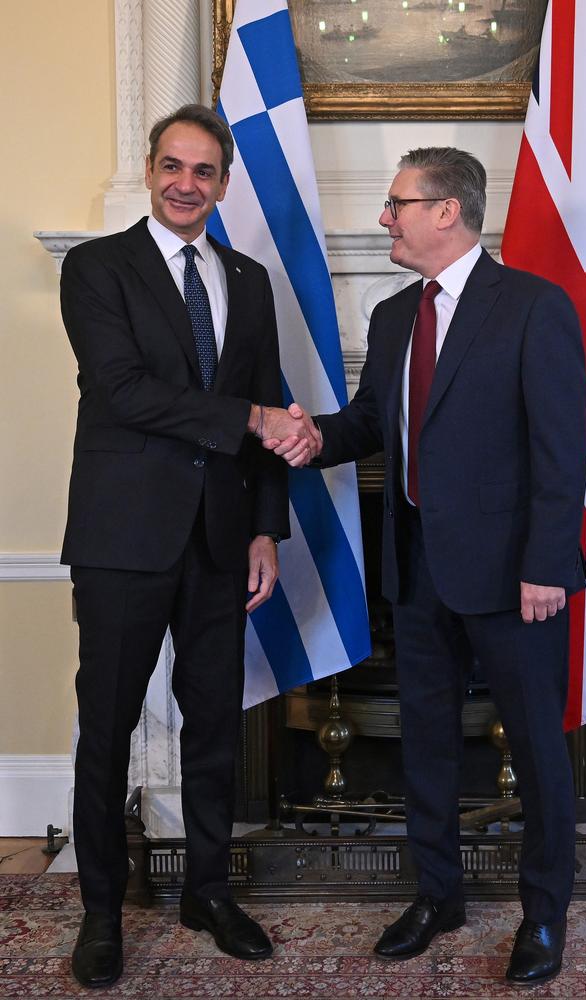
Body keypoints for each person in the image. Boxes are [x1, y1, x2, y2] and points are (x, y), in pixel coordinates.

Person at [269, 147, 586, 985]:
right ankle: (437, 894)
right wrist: (311, 438)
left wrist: (548, 564)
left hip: (518, 579)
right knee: (428, 748)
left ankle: (545, 917)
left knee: (539, 751)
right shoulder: (391, 316)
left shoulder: (532, 307)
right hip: (415, 571)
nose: (385, 218)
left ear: (447, 211)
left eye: (398, 203)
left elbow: (561, 452)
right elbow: (375, 423)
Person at [60, 104, 318, 989]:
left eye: (203, 171)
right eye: (173, 165)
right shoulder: (98, 268)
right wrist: (250, 418)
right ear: (150, 166)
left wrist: (264, 530)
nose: (185, 184)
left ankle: (208, 891)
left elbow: (267, 405)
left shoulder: (246, 279)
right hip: (122, 540)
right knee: (109, 731)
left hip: (220, 539)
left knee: (215, 729)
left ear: (224, 182)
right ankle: (101, 909)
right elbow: (123, 390)